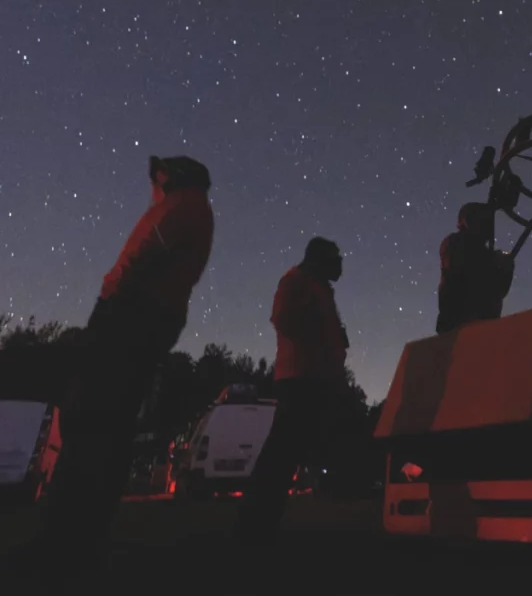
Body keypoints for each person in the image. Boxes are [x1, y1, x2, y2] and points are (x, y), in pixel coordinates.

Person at [40, 155, 214, 571]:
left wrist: (118, 299)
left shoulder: (184, 206)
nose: (157, 182)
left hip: (131, 312)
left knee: (93, 418)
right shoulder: (189, 207)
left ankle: (65, 542)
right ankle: (80, 538)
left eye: (163, 176)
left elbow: (150, 253)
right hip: (144, 312)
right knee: (106, 421)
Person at [234, 237, 350, 543]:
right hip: (301, 379)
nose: (341, 263)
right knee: (282, 454)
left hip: (315, 378)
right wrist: (321, 339)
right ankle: (254, 525)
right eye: (336, 257)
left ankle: (260, 522)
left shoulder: (318, 287)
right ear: (320, 258)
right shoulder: (297, 280)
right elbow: (283, 318)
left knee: (287, 453)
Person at [435, 202, 515, 334]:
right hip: (457, 321)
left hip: (480, 325)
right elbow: (466, 273)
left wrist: (506, 269)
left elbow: (498, 291)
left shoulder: (482, 253)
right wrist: (495, 263)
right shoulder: (455, 242)